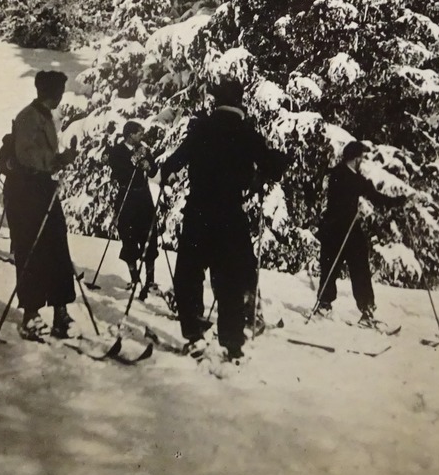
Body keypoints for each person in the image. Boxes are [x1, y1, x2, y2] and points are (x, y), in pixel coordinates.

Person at [159, 79, 286, 362]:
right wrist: (274, 163)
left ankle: (194, 336)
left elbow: (172, 163)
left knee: (189, 274)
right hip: (230, 215)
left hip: (199, 212)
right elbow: (273, 166)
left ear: (216, 102)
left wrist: (167, 172)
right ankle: (232, 343)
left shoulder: (201, 129)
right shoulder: (246, 133)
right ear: (240, 103)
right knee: (232, 279)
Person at [8, 70, 80, 340]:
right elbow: (25, 154)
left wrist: (63, 158)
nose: (62, 94)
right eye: (60, 90)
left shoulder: (46, 117)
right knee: (32, 249)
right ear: (53, 92)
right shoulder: (29, 116)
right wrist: (52, 162)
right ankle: (31, 314)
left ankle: (60, 312)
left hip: (43, 187)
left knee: (58, 248)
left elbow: (43, 156)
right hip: (25, 191)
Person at [312, 140, 406, 328]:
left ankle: (365, 309)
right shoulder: (341, 175)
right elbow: (345, 198)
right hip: (336, 228)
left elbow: (374, 196)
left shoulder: (350, 177)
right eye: (361, 158)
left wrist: (397, 202)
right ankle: (325, 304)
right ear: (355, 159)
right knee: (333, 266)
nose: (362, 161)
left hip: (346, 229)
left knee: (357, 266)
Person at [107, 121, 159, 298]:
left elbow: (153, 172)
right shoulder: (117, 151)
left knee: (149, 235)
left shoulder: (144, 149)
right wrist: (135, 162)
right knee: (128, 237)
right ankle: (134, 278)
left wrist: (148, 166)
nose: (142, 136)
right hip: (126, 197)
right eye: (139, 133)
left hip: (143, 197)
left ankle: (150, 280)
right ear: (130, 135)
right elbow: (118, 173)